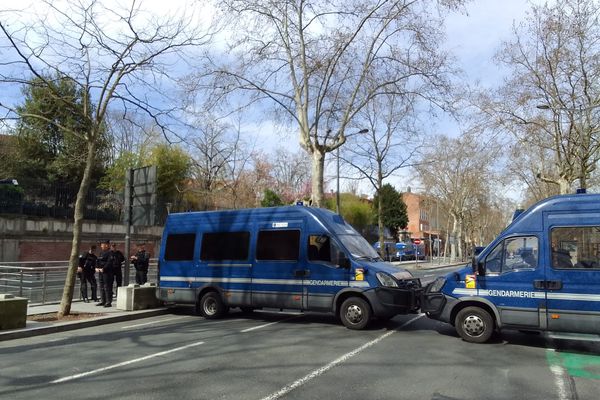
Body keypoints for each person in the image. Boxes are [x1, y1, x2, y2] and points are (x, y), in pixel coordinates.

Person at [96, 239, 117, 307]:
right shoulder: (101, 253)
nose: (101, 246)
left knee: (107, 287)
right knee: (101, 286)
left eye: (103, 244)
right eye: (101, 244)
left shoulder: (110, 253)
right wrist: (96, 267)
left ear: (107, 245)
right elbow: (98, 261)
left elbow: (109, 262)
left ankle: (108, 302)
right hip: (101, 272)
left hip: (107, 272)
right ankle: (103, 300)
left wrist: (104, 268)